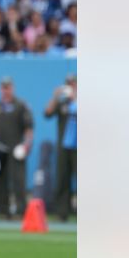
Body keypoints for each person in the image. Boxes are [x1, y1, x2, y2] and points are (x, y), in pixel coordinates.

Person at [0, 77, 34, 220]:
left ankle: (21, 210)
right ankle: (3, 210)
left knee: (18, 180)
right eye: (3, 88)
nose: (6, 91)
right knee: (1, 180)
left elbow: (29, 127)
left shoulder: (21, 105)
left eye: (8, 87)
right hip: (0, 148)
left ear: (13, 88)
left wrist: (27, 144)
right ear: (0, 89)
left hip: (16, 147)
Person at [44, 74, 77, 221]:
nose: (71, 86)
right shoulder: (62, 102)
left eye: (73, 84)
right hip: (64, 146)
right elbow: (47, 113)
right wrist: (55, 97)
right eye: (68, 84)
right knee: (62, 179)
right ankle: (62, 212)